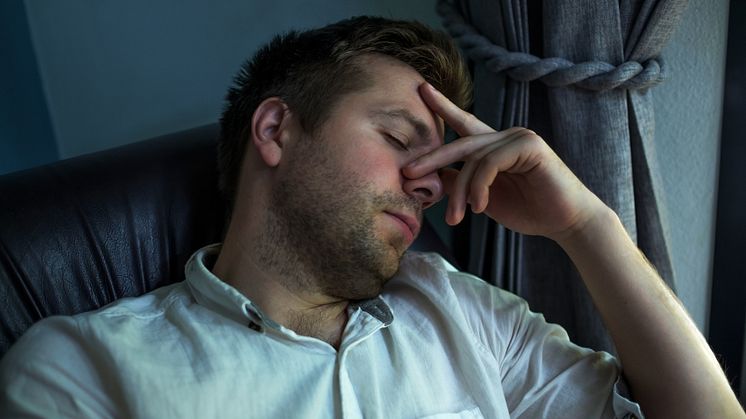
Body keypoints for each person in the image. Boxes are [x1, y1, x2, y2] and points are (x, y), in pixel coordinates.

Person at [0, 16, 743, 419]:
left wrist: (586, 224)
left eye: (443, 159)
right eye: (397, 140)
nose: (427, 181)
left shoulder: (463, 311)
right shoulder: (84, 369)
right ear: (276, 131)